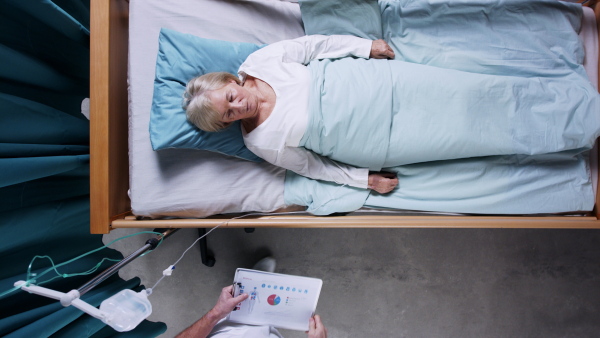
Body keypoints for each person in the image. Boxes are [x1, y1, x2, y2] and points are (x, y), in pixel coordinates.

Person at [183, 35, 399, 195]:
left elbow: (314, 46)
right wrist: (365, 181)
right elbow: (312, 167)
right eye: (229, 114)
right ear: (225, 124)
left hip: (372, 82)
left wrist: (365, 46)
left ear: (229, 80)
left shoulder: (259, 63)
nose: (238, 107)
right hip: (374, 137)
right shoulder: (259, 142)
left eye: (231, 97)